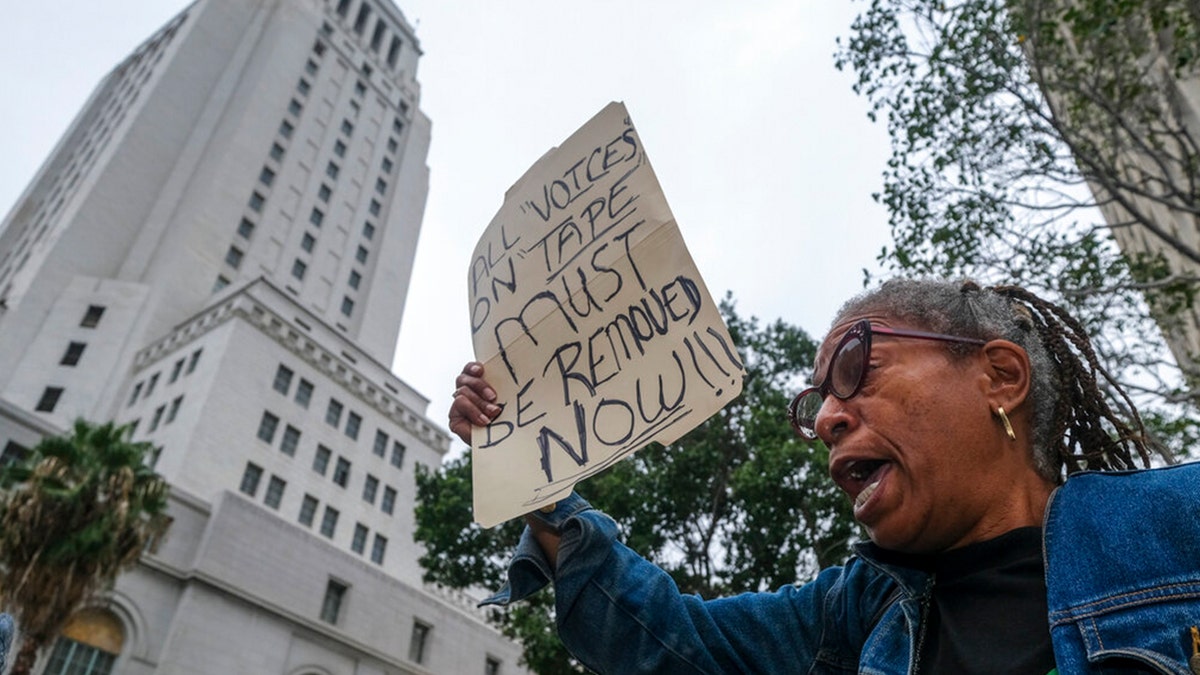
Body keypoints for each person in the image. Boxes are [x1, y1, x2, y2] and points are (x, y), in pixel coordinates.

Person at [448, 278, 1200, 674]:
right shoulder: (851, 616)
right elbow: (669, 641)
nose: (831, 418)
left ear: (999, 376)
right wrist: (536, 478)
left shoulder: (1178, 525)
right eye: (819, 404)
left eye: (855, 369)